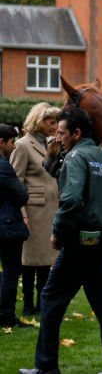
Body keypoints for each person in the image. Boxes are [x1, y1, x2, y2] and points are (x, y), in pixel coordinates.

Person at [18, 107, 102, 374]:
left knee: (50, 299)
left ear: (76, 133)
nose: (56, 137)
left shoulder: (76, 156)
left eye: (61, 132)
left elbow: (71, 199)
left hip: (78, 242)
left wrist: (58, 232)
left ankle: (47, 366)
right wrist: (51, 157)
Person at [10, 102, 60, 318]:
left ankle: (42, 301)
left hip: (51, 209)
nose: (55, 126)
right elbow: (15, 181)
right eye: (51, 122)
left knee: (47, 260)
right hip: (32, 210)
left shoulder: (52, 145)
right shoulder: (22, 145)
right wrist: (21, 213)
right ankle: (28, 302)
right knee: (29, 260)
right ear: (38, 122)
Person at [1, 123, 31, 328]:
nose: (14, 147)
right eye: (12, 142)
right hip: (7, 225)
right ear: (1, 142)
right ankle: (6, 316)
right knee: (11, 271)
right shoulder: (3, 166)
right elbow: (21, 194)